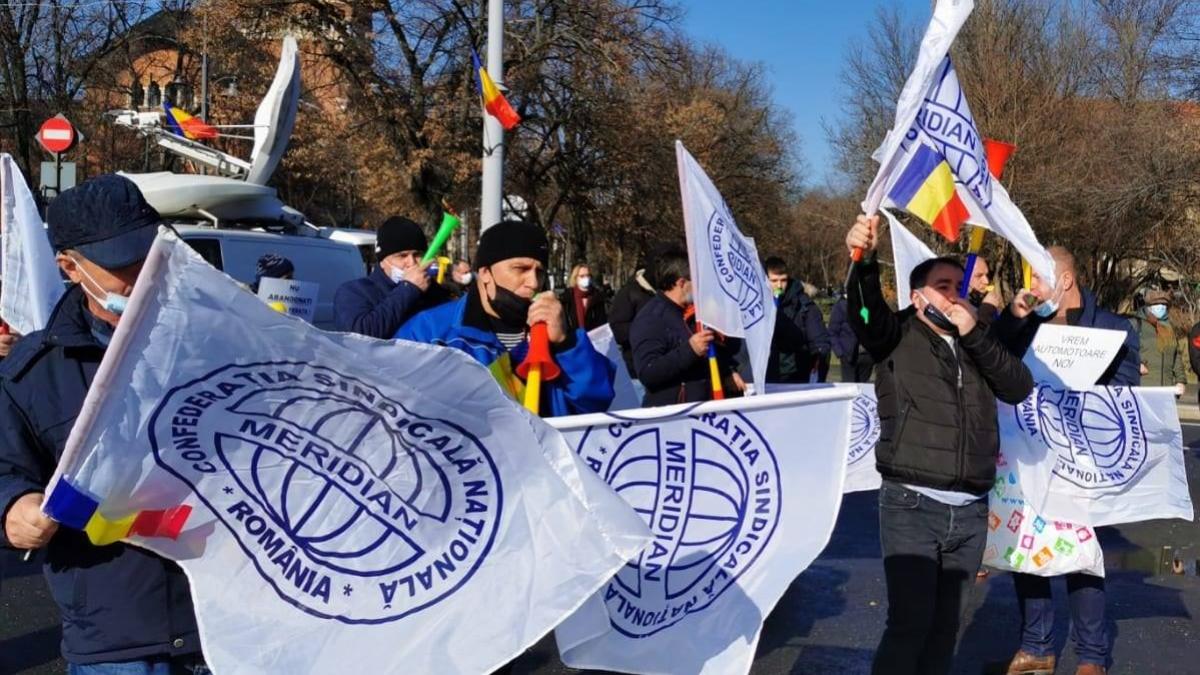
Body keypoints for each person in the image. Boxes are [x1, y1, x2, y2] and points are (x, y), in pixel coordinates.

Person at [0, 175, 205, 673]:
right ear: (70, 267)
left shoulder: (213, 339)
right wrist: (15, 510)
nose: (142, 275)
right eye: (120, 264)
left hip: (223, 623)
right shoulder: (33, 373)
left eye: (150, 255)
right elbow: (7, 469)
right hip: (118, 639)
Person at [845, 214, 1034, 675]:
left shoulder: (976, 338)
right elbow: (865, 314)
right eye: (942, 286)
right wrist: (864, 262)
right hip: (912, 505)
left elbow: (1017, 386)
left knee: (946, 627)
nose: (955, 295)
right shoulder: (897, 336)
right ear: (916, 296)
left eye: (958, 286)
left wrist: (973, 332)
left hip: (970, 509)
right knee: (910, 624)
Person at [992, 245, 1139, 675]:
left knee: (1081, 556)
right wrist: (1014, 318)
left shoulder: (1113, 328)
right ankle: (1037, 645)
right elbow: (994, 357)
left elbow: (1126, 390)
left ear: (1066, 280)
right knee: (1030, 548)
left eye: (1038, 278)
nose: (1031, 286)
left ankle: (1092, 655)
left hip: (1082, 460)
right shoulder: (1027, 324)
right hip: (1029, 454)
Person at [397, 220, 614, 417]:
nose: (533, 282)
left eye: (539, 272)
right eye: (521, 269)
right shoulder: (431, 332)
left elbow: (595, 405)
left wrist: (567, 345)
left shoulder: (553, 333)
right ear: (484, 273)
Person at [630, 247, 745, 406]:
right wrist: (690, 350)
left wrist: (726, 372)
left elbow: (708, 351)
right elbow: (648, 372)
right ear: (682, 283)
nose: (700, 287)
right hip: (674, 414)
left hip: (703, 410)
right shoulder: (651, 318)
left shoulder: (692, 312)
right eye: (696, 281)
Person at [333, 215, 451, 338]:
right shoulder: (354, 292)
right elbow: (359, 336)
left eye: (417, 255)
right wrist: (409, 288)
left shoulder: (435, 293)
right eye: (402, 256)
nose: (411, 263)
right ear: (383, 261)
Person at [763, 256, 831, 384]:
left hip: (794, 374)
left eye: (783, 280)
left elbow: (819, 338)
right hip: (764, 373)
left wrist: (819, 355)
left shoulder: (803, 304)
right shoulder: (757, 303)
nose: (779, 285)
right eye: (774, 280)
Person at [1132, 289, 1187, 396]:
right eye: (1157, 304)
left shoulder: (1169, 328)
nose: (1161, 307)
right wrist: (1135, 364)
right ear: (1148, 306)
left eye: (1164, 305)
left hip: (1166, 390)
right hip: (1143, 388)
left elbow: (1176, 356)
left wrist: (1181, 380)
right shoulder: (1135, 324)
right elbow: (1123, 351)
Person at [609, 261, 657, 378]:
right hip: (636, 368)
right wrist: (646, 329)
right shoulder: (629, 292)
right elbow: (617, 330)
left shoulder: (665, 293)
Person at [828, 293, 873, 382]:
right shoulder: (840, 307)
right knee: (849, 388)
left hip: (867, 356)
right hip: (848, 355)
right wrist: (840, 353)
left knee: (864, 389)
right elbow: (832, 332)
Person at [559, 262, 608, 333]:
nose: (586, 278)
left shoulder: (597, 298)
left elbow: (602, 323)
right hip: (573, 340)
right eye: (582, 276)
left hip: (592, 339)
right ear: (575, 278)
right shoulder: (566, 298)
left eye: (588, 276)